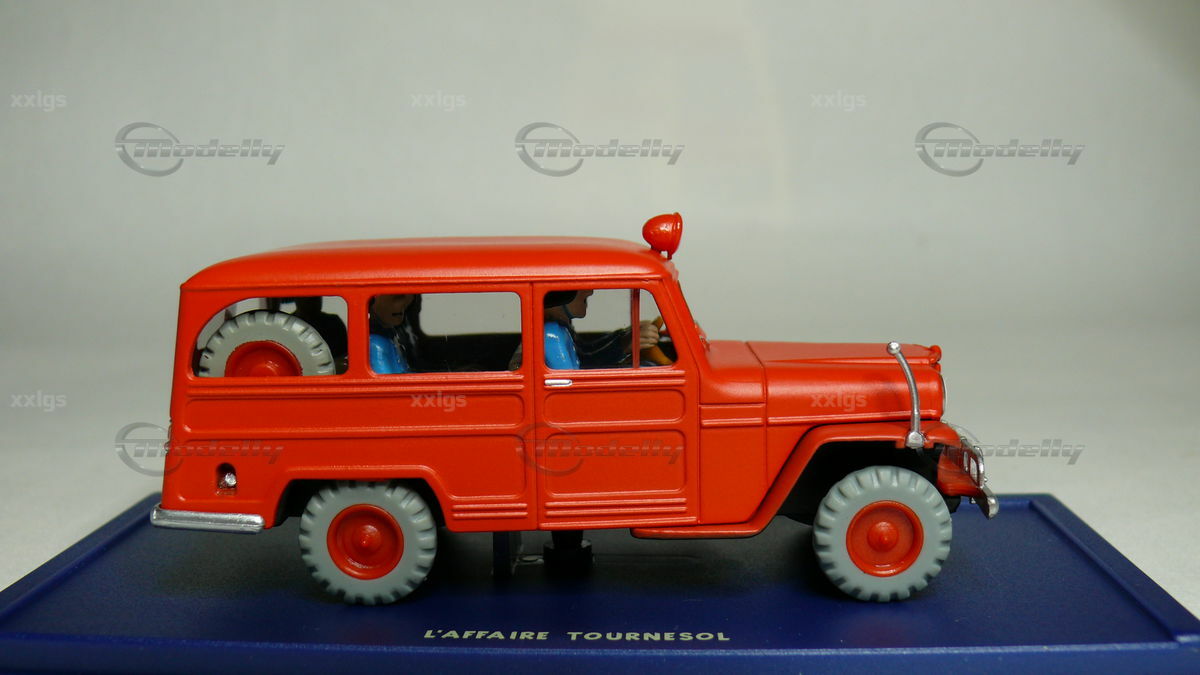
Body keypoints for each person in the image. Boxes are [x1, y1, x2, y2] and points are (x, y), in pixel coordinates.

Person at [536, 290, 662, 370]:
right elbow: (582, 367)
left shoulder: (559, 328)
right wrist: (623, 345)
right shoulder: (551, 336)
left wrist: (624, 338)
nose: (589, 292)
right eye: (577, 285)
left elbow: (584, 350)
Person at [368, 294, 421, 374]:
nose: (401, 304)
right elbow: (385, 379)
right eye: (396, 296)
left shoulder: (394, 334)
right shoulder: (376, 345)